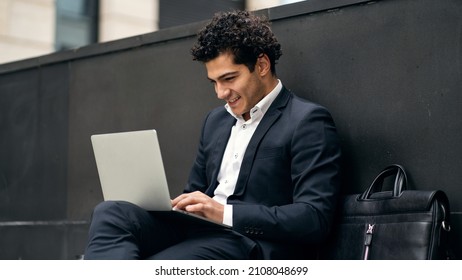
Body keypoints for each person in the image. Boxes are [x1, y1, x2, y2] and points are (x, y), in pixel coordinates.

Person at [84, 10, 342, 260]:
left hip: (247, 243)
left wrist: (223, 213)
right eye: (214, 82)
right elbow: (195, 192)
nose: (220, 93)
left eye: (229, 78)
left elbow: (314, 218)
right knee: (111, 212)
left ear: (262, 65)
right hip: (196, 230)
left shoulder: (307, 121)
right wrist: (180, 205)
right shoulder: (215, 121)